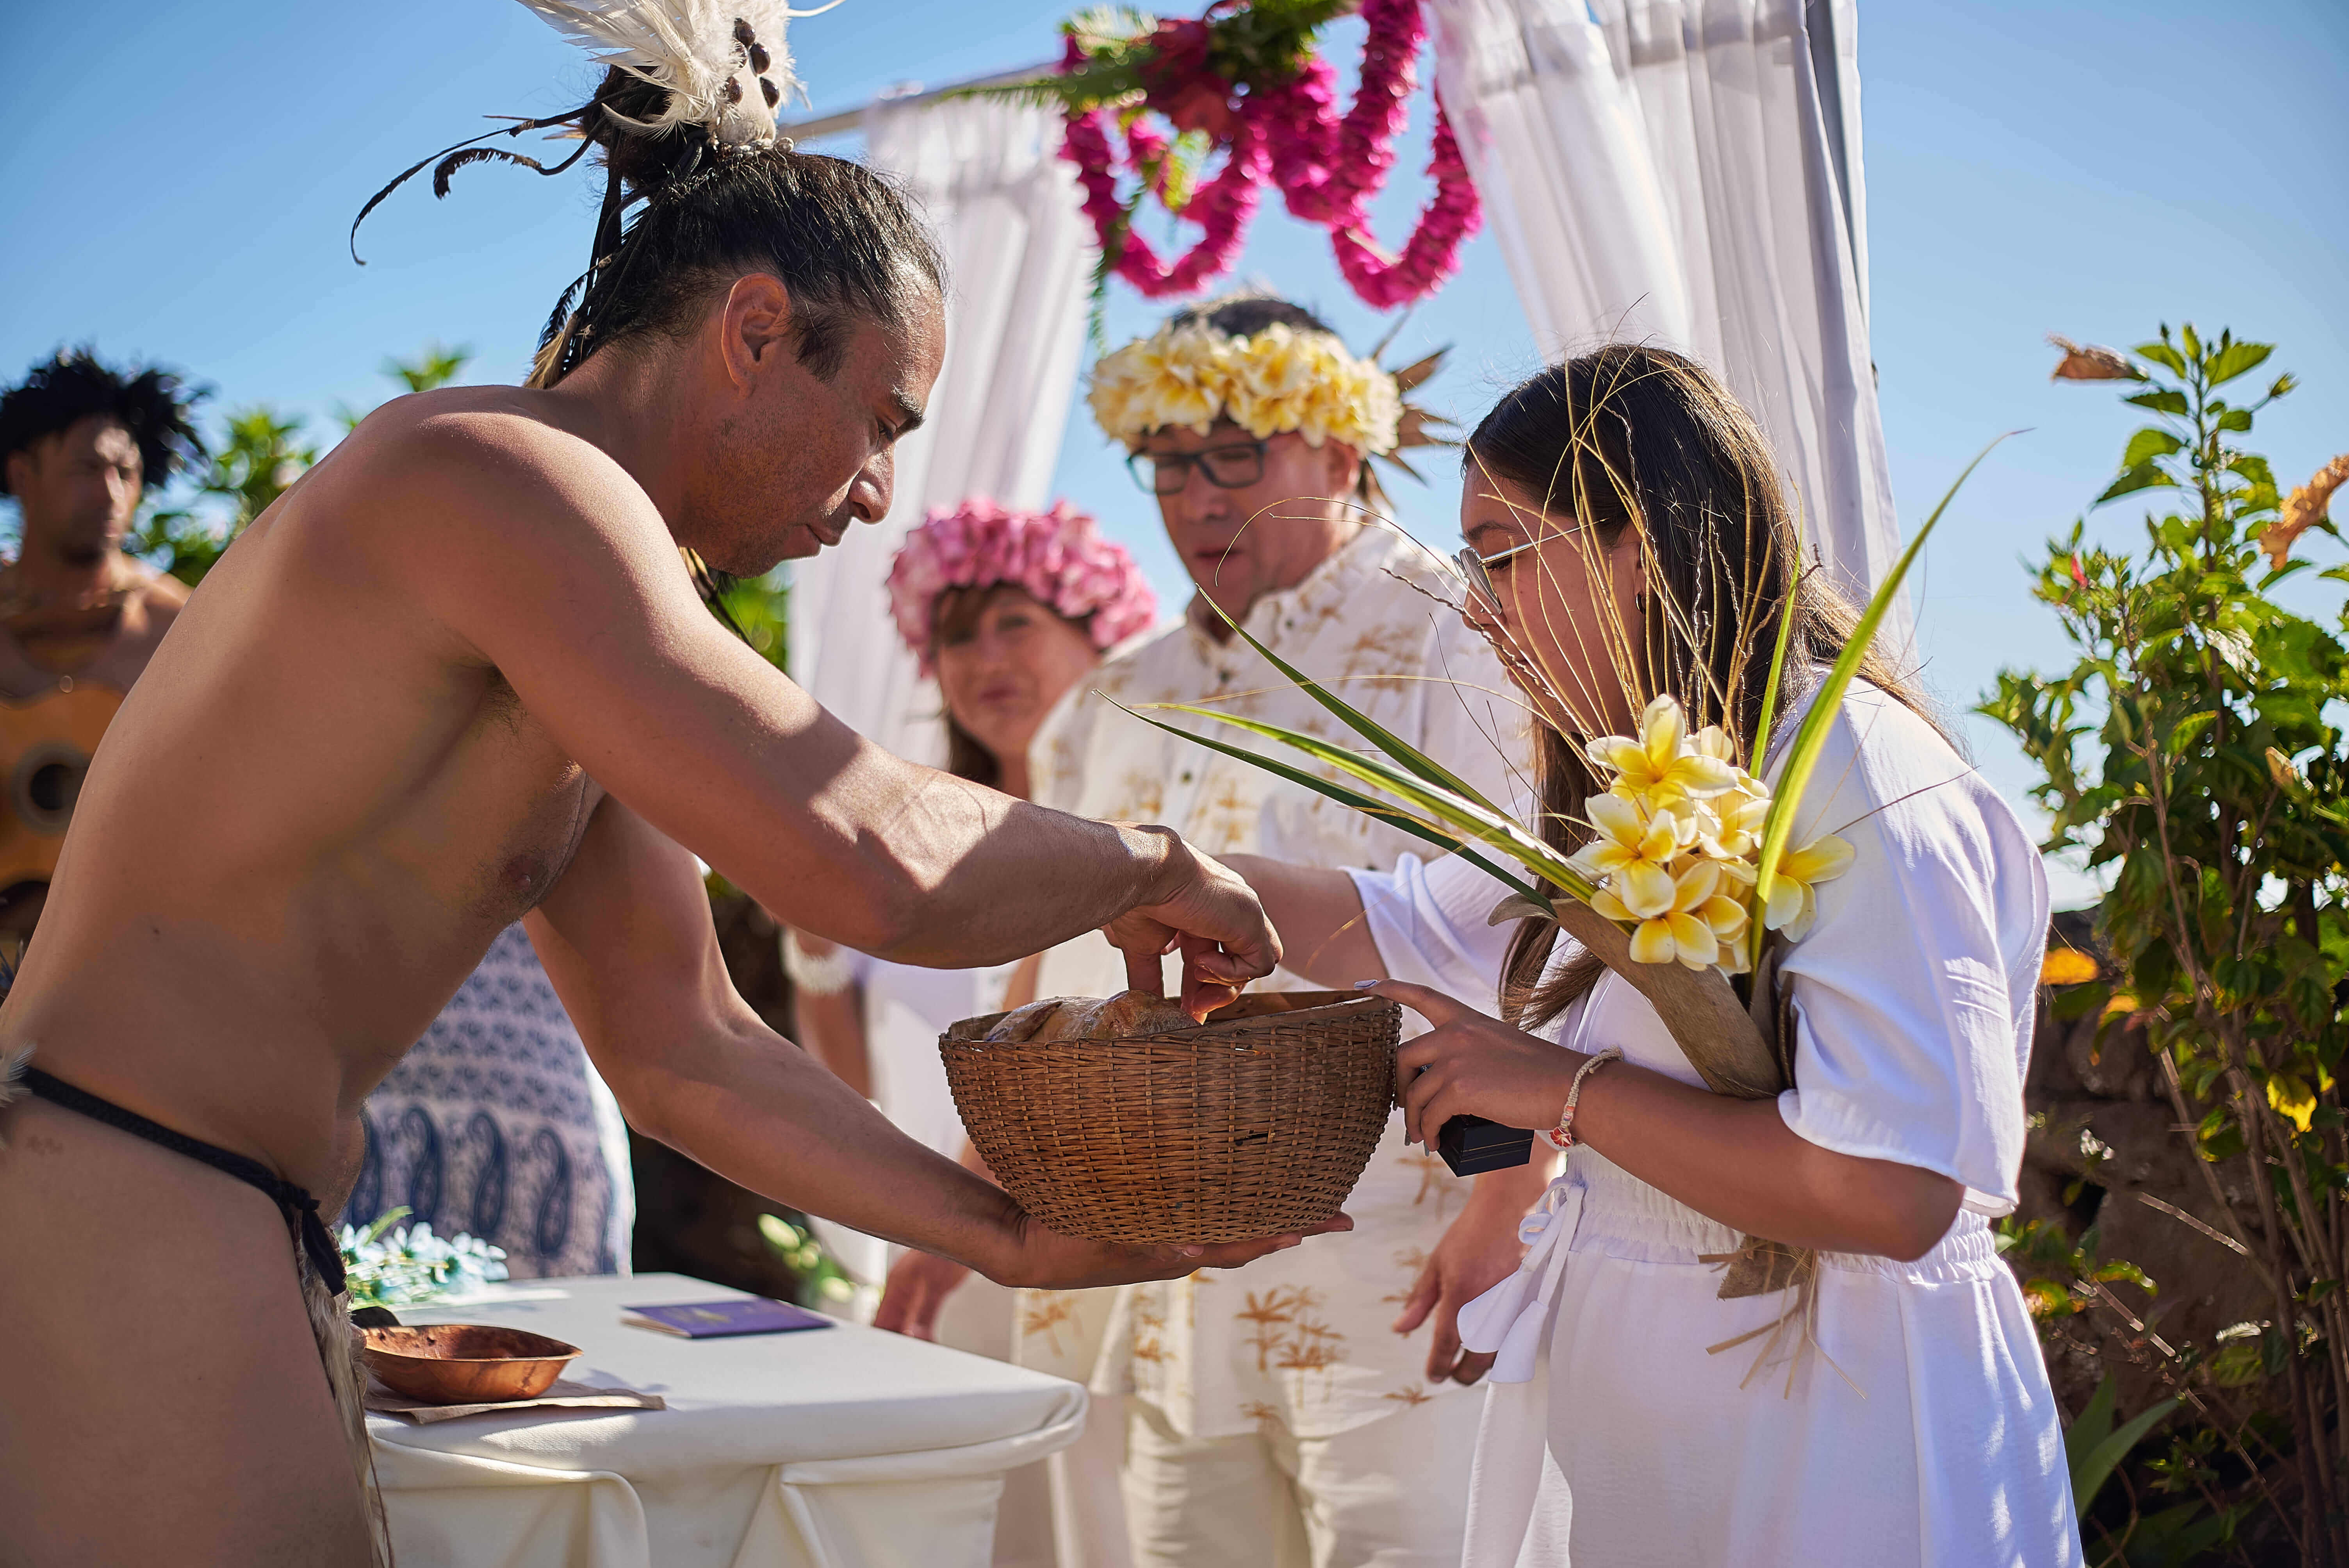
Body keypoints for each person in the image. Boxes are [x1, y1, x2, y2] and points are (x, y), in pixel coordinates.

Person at [0, 21, 1343, 1567]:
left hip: (220, 1209)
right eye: (884, 419)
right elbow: (869, 855)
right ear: (757, 330)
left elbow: (685, 1046)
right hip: (123, 1186)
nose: (879, 489)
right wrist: (1148, 861)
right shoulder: (505, 477)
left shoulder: (591, 602)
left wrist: (1004, 1234)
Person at [1226, 345, 2084, 1565]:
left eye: (1504, 554)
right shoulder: (1645, 780)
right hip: (1672, 1421)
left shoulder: (1862, 782)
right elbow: (1396, 920)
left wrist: (1563, 1092)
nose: (1479, 605)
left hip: (1839, 1429)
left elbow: (1891, 1195)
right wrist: (1156, 877)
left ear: (1645, 542)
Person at [881, 294, 1534, 1568]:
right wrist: (964, 1186)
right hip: (1166, 1261)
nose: (1195, 494)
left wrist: (1509, 1198)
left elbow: (1523, 927)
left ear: (1341, 449)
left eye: (1235, 451)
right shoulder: (1122, 688)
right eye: (1170, 461)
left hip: (1404, 1251)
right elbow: (1057, 957)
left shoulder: (1458, 631)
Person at [0, 349, 205, 938]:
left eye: (127, 473)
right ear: (21, 477)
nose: (112, 494)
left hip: (135, 958)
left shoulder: (181, 626)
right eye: (88, 469)